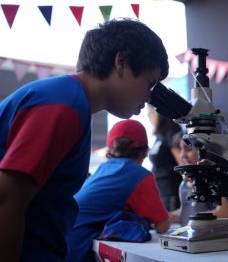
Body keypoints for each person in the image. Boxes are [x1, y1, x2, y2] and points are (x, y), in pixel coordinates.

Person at [0, 18, 169, 261]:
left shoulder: (73, 104)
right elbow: (7, 199)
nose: (149, 97)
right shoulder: (63, 105)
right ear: (121, 62)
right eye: (149, 84)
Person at [66, 119, 170, 262]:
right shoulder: (139, 175)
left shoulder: (103, 169)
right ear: (145, 152)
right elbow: (163, 226)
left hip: (62, 241)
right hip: (77, 249)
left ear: (109, 150)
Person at [169, 137, 228, 225]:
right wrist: (167, 217)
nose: (182, 155)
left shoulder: (215, 180)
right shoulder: (183, 185)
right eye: (180, 149)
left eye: (188, 149)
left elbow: (224, 212)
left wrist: (196, 220)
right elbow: (184, 213)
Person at [147, 105, 183, 211]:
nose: (148, 115)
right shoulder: (159, 136)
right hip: (160, 193)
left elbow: (182, 162)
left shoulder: (171, 131)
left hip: (172, 192)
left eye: (150, 111)